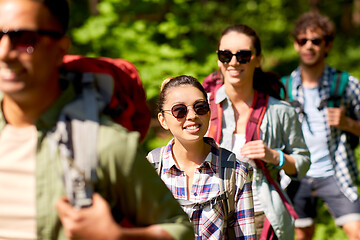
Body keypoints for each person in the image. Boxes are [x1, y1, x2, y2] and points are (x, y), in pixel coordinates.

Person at [0, 0, 194, 239]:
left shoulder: (106, 144)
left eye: (25, 39)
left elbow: (180, 230)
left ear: (61, 48)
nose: (4, 52)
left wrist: (118, 237)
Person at [202, 24, 310, 239]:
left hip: (261, 217)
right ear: (218, 60)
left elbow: (303, 163)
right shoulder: (201, 108)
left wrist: (274, 156)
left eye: (242, 55)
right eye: (225, 55)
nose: (233, 62)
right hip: (210, 218)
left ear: (258, 59)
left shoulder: (280, 111)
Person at [147, 75, 256, 239]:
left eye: (200, 107)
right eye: (179, 110)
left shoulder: (236, 171)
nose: (191, 116)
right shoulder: (151, 167)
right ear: (163, 120)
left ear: (209, 112)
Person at [282, 11, 360, 240]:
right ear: (296, 45)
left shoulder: (345, 84)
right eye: (302, 40)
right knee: (301, 235)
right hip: (296, 175)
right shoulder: (284, 88)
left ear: (327, 45)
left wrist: (346, 123)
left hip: (335, 173)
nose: (309, 46)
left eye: (316, 41)